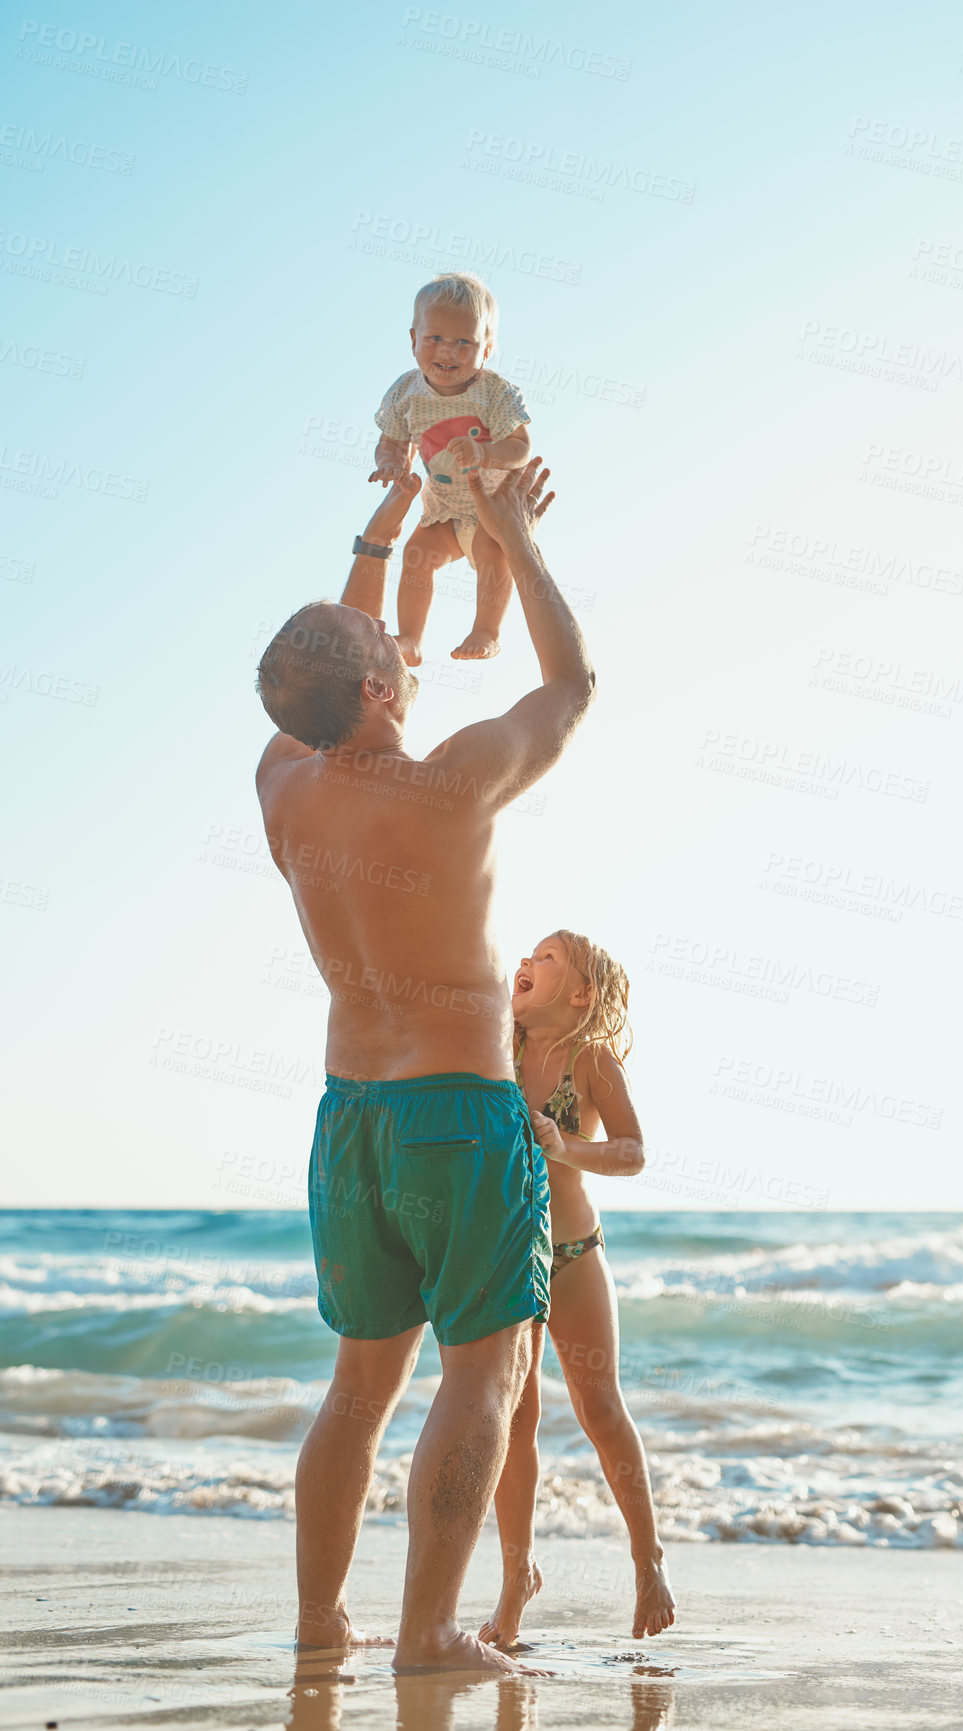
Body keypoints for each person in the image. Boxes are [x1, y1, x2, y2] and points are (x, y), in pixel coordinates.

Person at [254, 458, 594, 1674]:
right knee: (485, 1374)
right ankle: (430, 1634)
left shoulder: (283, 784)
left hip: (352, 1120)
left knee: (357, 1388)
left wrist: (389, 518)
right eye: (388, 647)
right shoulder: (450, 787)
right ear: (386, 684)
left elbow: (324, 668)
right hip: (457, 1111)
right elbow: (572, 686)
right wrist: (510, 534)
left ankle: (316, 1626)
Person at [478, 932, 676, 1649]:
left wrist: (564, 1146)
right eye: (524, 957)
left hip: (571, 1253)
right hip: (503, 1258)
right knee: (512, 1420)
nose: (526, 963)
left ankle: (647, 1557)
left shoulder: (591, 1060)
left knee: (599, 1408)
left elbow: (631, 1150)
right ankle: (513, 1580)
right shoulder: (492, 1048)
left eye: (547, 958)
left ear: (582, 992)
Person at [369, 273, 532, 666]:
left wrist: (484, 452)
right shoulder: (404, 393)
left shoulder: (494, 392)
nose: (449, 351)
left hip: (490, 506)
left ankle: (486, 630)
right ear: (413, 340)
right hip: (442, 509)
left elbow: (521, 448)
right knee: (416, 554)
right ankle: (410, 638)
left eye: (465, 342)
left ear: (487, 349)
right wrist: (390, 463)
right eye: (435, 339)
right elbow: (390, 441)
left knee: (491, 552)